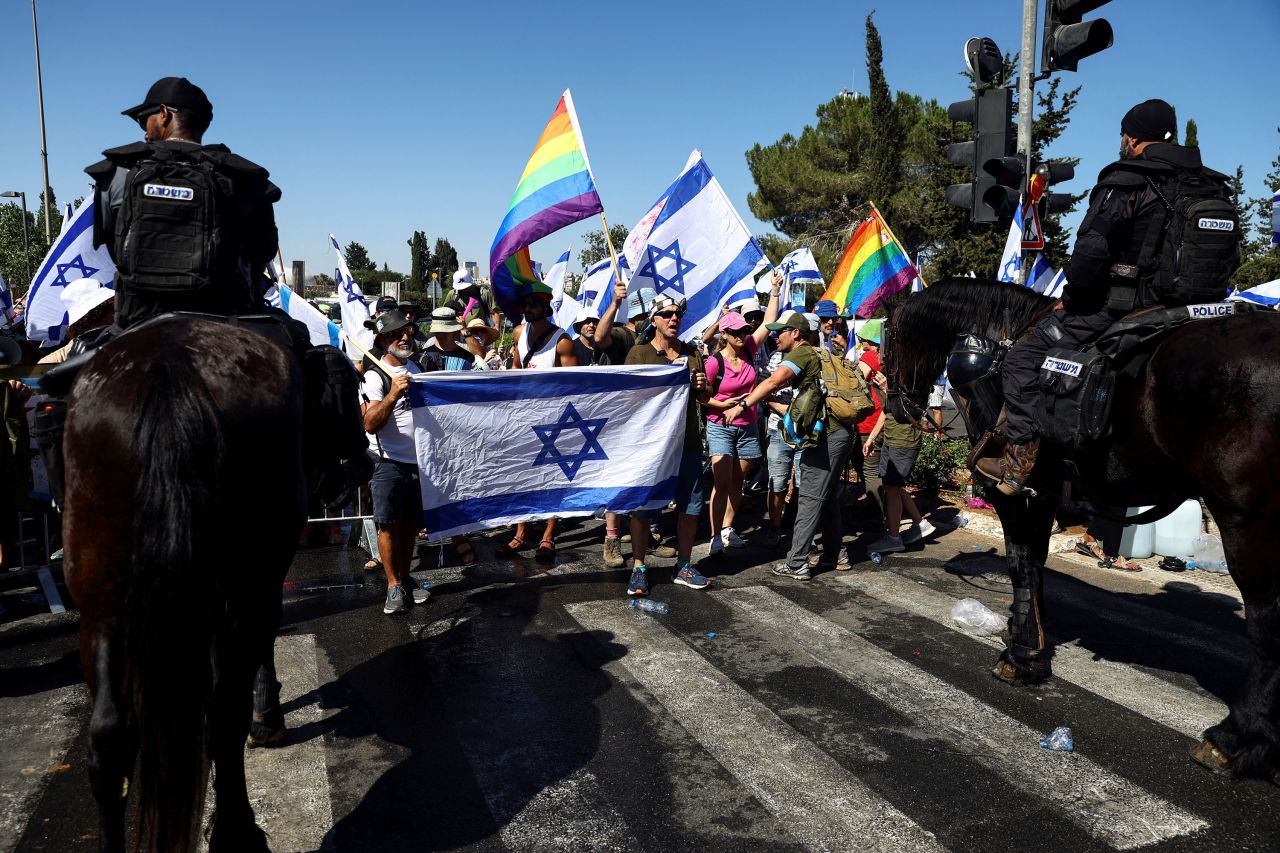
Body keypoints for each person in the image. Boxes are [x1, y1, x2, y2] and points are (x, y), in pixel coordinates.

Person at [978, 98, 1235, 494]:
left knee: (1020, 359)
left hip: (1123, 307)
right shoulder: (1210, 183)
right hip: (1195, 309)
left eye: (1122, 135)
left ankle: (1018, 463)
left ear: (1132, 138)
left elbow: (1092, 253)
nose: (1121, 142)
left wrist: (1073, 296)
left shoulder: (1127, 180)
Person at [724, 311, 859, 580]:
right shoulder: (822, 353)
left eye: (780, 332)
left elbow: (774, 380)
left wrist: (743, 405)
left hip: (826, 435)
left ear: (795, 333)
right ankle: (835, 554)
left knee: (809, 496)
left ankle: (797, 562)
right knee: (827, 493)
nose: (775, 336)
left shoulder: (802, 353)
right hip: (839, 433)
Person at [623, 295, 712, 595]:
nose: (674, 319)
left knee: (690, 506)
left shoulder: (691, 352)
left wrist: (702, 386)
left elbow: (704, 398)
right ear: (654, 320)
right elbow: (628, 397)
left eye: (678, 314)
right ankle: (638, 567)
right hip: (650, 447)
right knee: (643, 508)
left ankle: (684, 564)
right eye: (667, 314)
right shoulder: (639, 353)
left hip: (686, 442)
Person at [496, 289, 577, 560]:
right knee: (522, 476)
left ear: (546, 308)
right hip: (522, 417)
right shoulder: (518, 334)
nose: (527, 309)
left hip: (552, 419)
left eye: (533, 305)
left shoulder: (562, 341)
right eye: (524, 304)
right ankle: (520, 532)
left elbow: (572, 387)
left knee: (552, 478)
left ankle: (548, 535)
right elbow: (516, 371)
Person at [360, 310, 430, 615]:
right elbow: (369, 423)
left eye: (408, 331)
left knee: (410, 527)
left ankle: (404, 577)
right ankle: (392, 586)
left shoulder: (416, 368)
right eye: (397, 333)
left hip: (419, 461)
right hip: (388, 463)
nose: (405, 337)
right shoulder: (373, 376)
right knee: (388, 526)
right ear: (383, 340)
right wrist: (392, 394)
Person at [415, 307, 482, 564]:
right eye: (439, 333)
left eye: (447, 332)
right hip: (432, 429)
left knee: (455, 480)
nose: (442, 337)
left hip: (459, 429)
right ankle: (444, 529)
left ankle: (457, 532)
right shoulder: (424, 357)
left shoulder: (466, 356)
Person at [703, 311, 763, 556]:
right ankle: (715, 535)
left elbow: (768, 321)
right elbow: (701, 397)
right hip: (720, 425)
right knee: (722, 480)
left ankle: (728, 528)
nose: (743, 335)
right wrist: (724, 405)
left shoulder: (749, 351)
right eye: (737, 331)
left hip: (748, 425)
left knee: (739, 480)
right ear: (724, 334)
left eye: (745, 330)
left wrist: (775, 292)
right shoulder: (713, 363)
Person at [864, 398, 936, 554]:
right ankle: (919, 524)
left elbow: (910, 407)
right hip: (891, 439)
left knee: (892, 488)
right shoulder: (894, 382)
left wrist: (887, 390)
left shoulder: (913, 381)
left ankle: (894, 538)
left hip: (903, 441)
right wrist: (872, 437)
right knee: (892, 487)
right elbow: (886, 410)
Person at [852, 320, 888, 530]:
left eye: (864, 340)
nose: (862, 345)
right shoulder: (889, 358)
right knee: (872, 467)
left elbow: (857, 383)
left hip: (869, 421)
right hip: (883, 420)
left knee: (869, 469)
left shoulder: (870, 357)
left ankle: (880, 514)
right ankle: (877, 508)